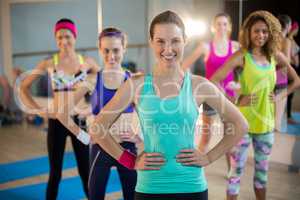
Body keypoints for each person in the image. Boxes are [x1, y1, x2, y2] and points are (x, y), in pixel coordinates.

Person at [82, 10, 248, 200]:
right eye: (160, 41)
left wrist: (208, 157)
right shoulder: (136, 85)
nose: (168, 49)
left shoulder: (199, 85)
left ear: (185, 40)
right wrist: (130, 160)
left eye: (175, 40)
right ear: (151, 42)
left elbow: (240, 125)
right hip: (150, 187)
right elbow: (98, 127)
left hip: (191, 186)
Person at [210, 10, 300, 200]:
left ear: (271, 33)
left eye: (265, 32)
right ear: (249, 33)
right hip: (242, 124)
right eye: (257, 31)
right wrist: (234, 100)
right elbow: (214, 80)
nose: (261, 35)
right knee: (235, 174)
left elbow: (295, 80)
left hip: (266, 125)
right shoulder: (242, 56)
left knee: (261, 176)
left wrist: (279, 96)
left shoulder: (275, 56)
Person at [19, 18, 99, 199]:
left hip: (78, 121)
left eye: (68, 36)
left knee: (86, 172)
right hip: (57, 121)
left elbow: (106, 85)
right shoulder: (48, 63)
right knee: (55, 174)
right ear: (55, 39)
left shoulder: (87, 61)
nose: (64, 41)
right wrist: (37, 110)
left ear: (75, 37)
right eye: (59, 37)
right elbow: (23, 87)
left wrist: (91, 108)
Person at [182, 13, 240, 174]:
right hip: (209, 97)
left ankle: (232, 172)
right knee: (205, 138)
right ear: (213, 27)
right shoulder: (205, 46)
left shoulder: (235, 46)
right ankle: (194, 171)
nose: (221, 27)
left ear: (229, 27)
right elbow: (183, 66)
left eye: (224, 24)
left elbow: (248, 67)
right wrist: (194, 85)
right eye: (218, 24)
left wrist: (239, 84)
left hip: (229, 97)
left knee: (230, 137)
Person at [88, 27, 141, 200]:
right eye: (106, 50)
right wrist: (83, 134)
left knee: (132, 195)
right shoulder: (91, 79)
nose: (111, 56)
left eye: (116, 50)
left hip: (126, 146)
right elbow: (65, 109)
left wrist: (139, 136)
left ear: (124, 48)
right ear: (99, 50)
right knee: (95, 195)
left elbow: (147, 115)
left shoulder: (132, 81)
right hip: (101, 148)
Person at [274, 14, 292, 132]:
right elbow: (287, 61)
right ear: (288, 26)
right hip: (280, 80)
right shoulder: (286, 41)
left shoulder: (271, 39)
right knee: (277, 120)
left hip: (268, 79)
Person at [287, 21, 300, 124]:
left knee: (291, 93)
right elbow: (287, 57)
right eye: (297, 29)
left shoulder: (291, 40)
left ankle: (288, 115)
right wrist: (294, 61)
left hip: (294, 67)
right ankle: (288, 116)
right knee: (289, 93)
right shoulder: (288, 41)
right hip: (291, 68)